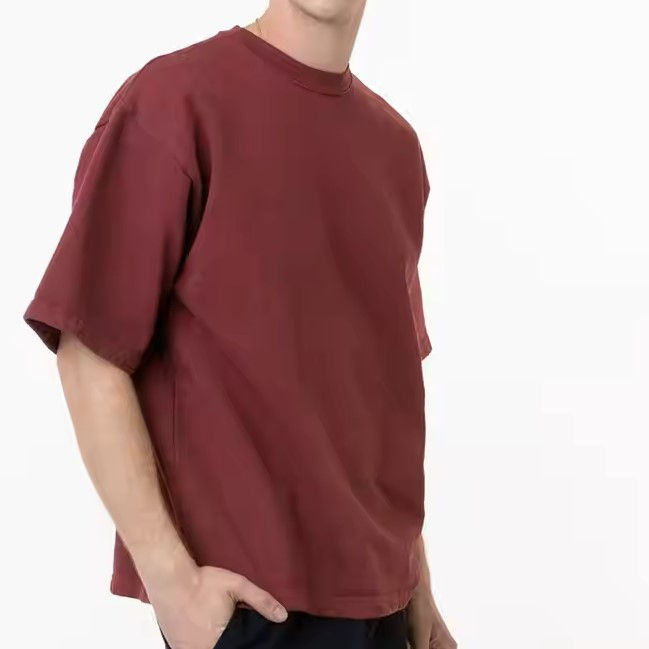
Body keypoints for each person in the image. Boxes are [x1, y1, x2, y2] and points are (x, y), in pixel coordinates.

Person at [22, 1, 457, 648]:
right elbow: (89, 351)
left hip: (386, 609)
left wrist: (417, 583)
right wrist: (172, 585)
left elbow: (377, 397)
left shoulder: (395, 147)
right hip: (254, 609)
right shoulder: (175, 102)